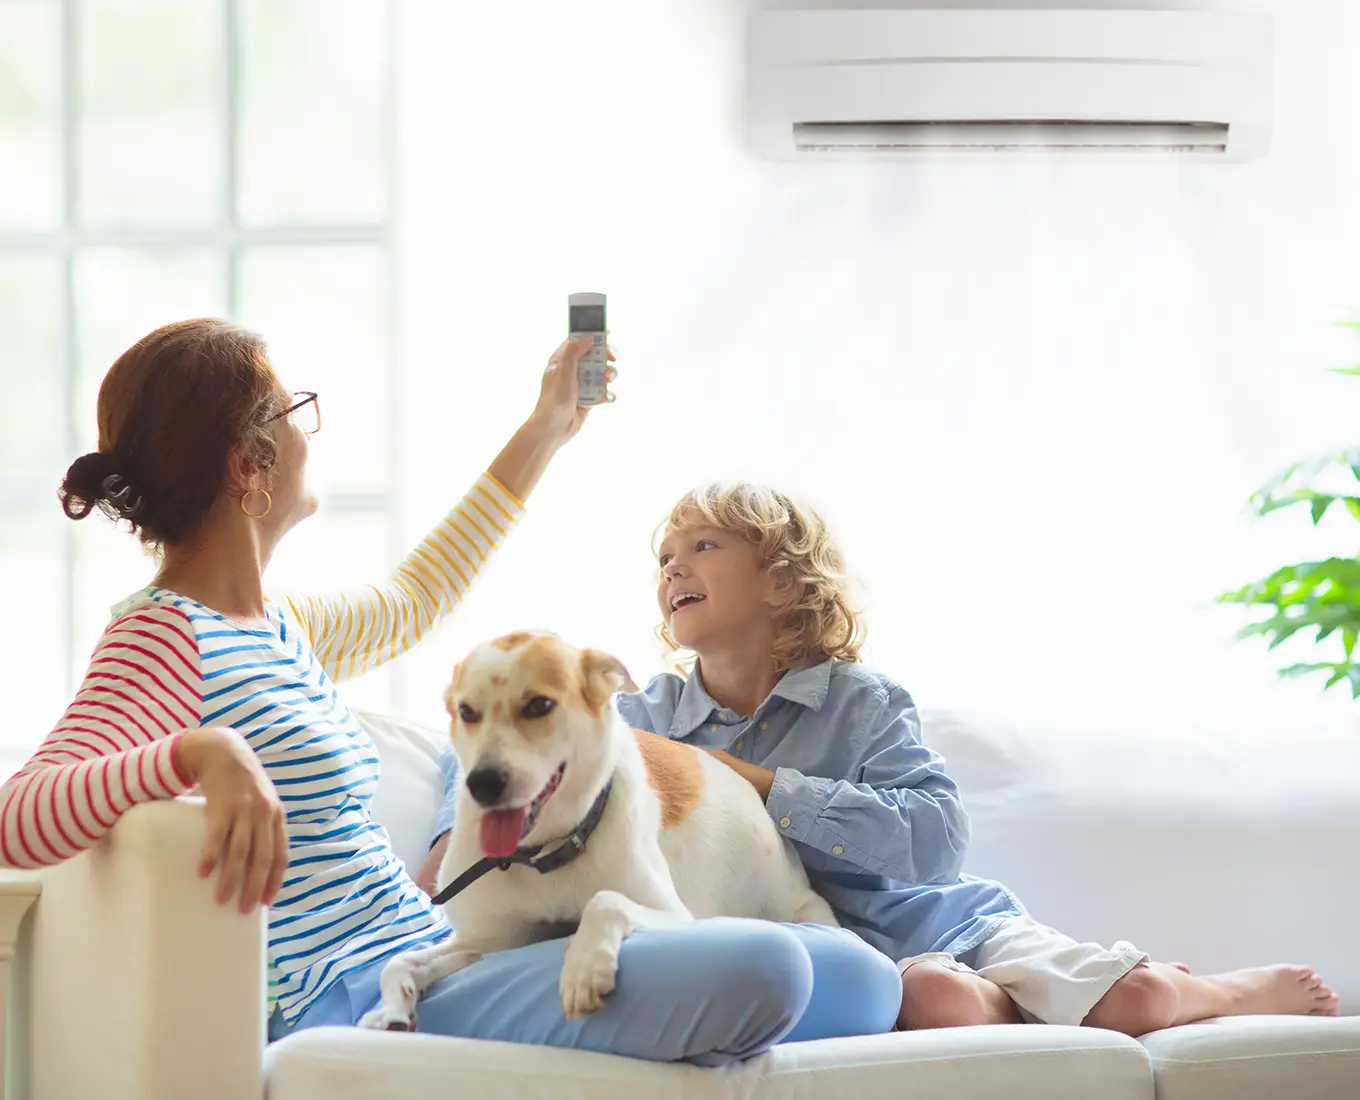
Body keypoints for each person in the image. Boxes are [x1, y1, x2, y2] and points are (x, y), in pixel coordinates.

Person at [0, 320, 900, 1063]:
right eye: (294, 412)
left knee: (864, 978)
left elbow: (414, 597)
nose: (310, 433)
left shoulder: (280, 627)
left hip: (437, 951)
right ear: (249, 463)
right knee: (771, 972)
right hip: (358, 998)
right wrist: (199, 751)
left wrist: (550, 424)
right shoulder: (161, 638)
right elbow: (19, 814)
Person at [426, 480, 1340, 1034]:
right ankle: (1047, 1001)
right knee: (935, 1001)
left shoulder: (861, 702)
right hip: (851, 955)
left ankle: (1210, 990)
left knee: (1132, 1004)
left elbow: (935, 839)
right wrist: (455, 827)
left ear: (785, 579)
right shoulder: (640, 713)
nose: (673, 568)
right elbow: (522, 744)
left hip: (940, 921)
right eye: (664, 556)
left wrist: (768, 787)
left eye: (702, 546)